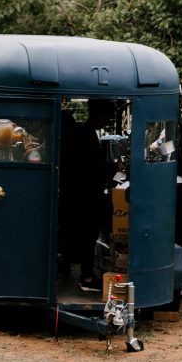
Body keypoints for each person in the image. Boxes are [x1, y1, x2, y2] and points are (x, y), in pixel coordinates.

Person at [59, 99, 114, 292]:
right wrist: (113, 168)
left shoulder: (82, 133)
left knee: (81, 233)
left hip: (77, 192)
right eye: (105, 119)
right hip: (86, 195)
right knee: (88, 235)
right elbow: (92, 168)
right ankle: (87, 277)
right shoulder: (86, 135)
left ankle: (79, 271)